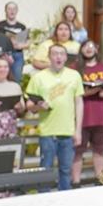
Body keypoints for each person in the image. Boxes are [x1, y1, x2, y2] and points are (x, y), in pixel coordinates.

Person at [26, 44, 83, 191]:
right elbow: (29, 105)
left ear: (65, 57)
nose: (58, 57)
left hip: (67, 131)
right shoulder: (38, 77)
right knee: (45, 170)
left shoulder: (74, 75)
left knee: (65, 170)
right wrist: (39, 107)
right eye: (55, 54)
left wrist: (78, 130)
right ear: (49, 57)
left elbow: (78, 103)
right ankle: (44, 201)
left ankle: (64, 201)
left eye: (61, 54)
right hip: (47, 132)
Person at [72, 40, 103, 186]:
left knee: (99, 150)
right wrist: (90, 92)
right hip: (81, 118)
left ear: (96, 50)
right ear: (81, 50)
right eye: (85, 46)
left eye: (92, 46)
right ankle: (76, 182)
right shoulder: (75, 69)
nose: (89, 49)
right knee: (78, 152)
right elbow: (72, 92)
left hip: (100, 117)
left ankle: (100, 180)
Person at [0, 57, 24, 139]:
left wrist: (19, 106)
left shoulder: (15, 86)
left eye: (5, 67)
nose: (3, 69)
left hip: (11, 126)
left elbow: (21, 110)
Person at [0, 1, 28, 82]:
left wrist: (19, 45)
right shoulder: (0, 25)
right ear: (5, 11)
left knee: (16, 80)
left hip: (18, 55)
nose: (12, 11)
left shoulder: (21, 26)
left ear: (17, 11)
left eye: (14, 9)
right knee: (2, 78)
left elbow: (24, 43)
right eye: (9, 9)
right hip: (4, 55)